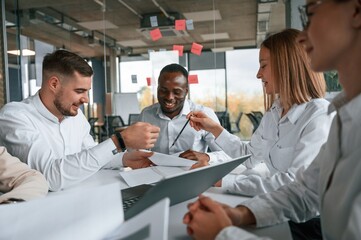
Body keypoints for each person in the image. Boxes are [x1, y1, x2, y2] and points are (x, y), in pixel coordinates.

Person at [184, 0, 361, 239]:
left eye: (310, 14)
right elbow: (305, 191)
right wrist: (240, 215)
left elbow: (293, 185)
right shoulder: (341, 116)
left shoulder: (322, 116)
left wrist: (224, 232)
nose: (303, 36)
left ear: (356, 12)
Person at [187, 28, 333, 197]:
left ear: (286, 65)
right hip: (279, 206)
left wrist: (221, 181)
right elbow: (249, 157)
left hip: (310, 219)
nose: (258, 74)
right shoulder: (274, 114)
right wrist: (214, 128)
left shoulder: (319, 116)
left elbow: (295, 184)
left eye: (263, 65)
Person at [0, 50, 160, 191]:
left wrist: (124, 159)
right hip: (35, 214)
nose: (85, 99)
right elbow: (50, 179)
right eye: (79, 91)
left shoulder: (75, 116)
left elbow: (89, 157)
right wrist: (119, 142)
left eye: (87, 91)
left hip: (79, 202)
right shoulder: (15, 116)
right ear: (54, 84)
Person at [136, 63, 230, 164]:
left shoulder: (204, 115)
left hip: (192, 175)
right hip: (156, 175)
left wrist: (206, 157)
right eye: (163, 91)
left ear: (186, 91)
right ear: (158, 89)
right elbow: (137, 152)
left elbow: (228, 154)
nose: (169, 97)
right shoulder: (146, 115)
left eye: (177, 92)